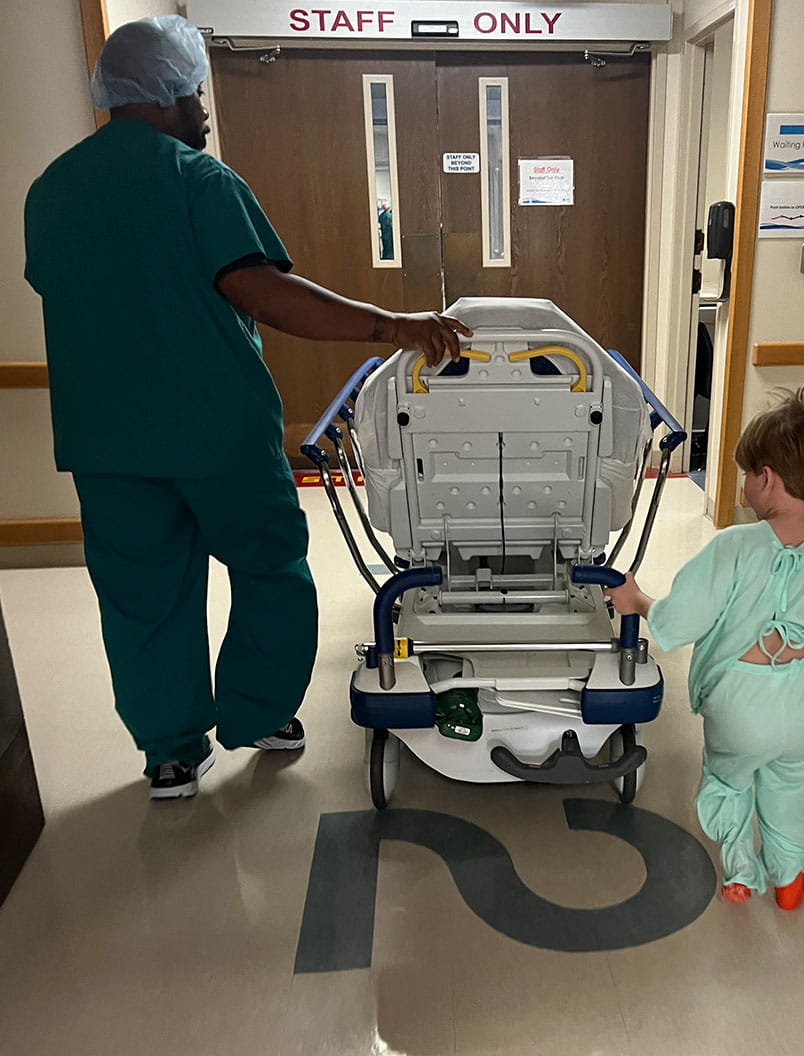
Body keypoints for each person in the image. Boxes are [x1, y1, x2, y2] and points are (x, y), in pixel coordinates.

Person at [22, 16, 471, 800]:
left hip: (106, 445)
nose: (202, 111)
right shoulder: (199, 181)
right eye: (195, 93)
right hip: (215, 433)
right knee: (271, 571)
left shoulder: (52, 191)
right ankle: (261, 712)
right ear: (164, 96)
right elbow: (262, 291)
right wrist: (391, 327)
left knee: (142, 598)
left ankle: (169, 753)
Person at [606, 381, 804, 910]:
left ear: (767, 478)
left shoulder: (734, 547)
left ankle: (740, 870)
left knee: (728, 782)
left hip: (740, 706)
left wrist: (637, 600)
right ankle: (786, 877)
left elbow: (682, 618)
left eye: (745, 475)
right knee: (788, 790)